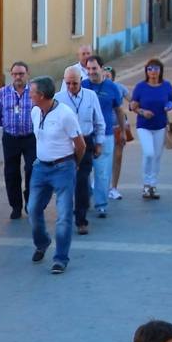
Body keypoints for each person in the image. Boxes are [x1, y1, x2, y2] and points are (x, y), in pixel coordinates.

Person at [27, 76, 84, 274]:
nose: (29, 95)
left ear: (41, 95)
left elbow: (80, 145)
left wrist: (73, 164)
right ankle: (42, 242)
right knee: (33, 209)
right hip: (40, 168)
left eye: (31, 92)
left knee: (64, 215)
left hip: (63, 168)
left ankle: (60, 258)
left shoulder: (65, 115)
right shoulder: (35, 112)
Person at [60, 66, 106, 235]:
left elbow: (99, 121)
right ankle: (64, 216)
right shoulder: (59, 98)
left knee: (81, 180)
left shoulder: (90, 96)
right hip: (64, 144)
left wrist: (99, 143)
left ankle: (81, 219)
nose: (71, 87)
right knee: (65, 182)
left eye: (75, 83)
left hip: (85, 142)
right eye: (68, 83)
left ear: (81, 81)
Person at [0, 61, 35, 219]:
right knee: (11, 172)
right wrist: (7, 125)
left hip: (31, 137)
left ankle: (30, 202)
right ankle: (15, 206)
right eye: (15, 74)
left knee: (32, 169)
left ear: (27, 74)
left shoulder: (34, 91)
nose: (18, 77)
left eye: (21, 74)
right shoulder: (4, 92)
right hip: (10, 138)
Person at [83, 56, 128, 220]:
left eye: (94, 69)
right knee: (84, 172)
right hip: (86, 136)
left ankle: (101, 204)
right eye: (88, 69)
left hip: (107, 135)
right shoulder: (83, 86)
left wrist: (122, 131)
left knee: (102, 172)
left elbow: (119, 110)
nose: (91, 72)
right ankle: (85, 199)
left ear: (101, 68)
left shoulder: (112, 87)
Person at [128, 58, 172, 199]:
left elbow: (171, 101)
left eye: (156, 69)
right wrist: (143, 112)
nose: (153, 72)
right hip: (144, 125)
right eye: (150, 69)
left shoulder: (166, 86)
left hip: (160, 125)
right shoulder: (140, 87)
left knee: (156, 156)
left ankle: (153, 185)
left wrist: (169, 106)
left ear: (160, 71)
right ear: (146, 71)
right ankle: (146, 184)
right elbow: (133, 105)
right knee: (149, 153)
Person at [105, 65, 132, 200]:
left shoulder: (119, 88)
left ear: (113, 78)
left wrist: (138, 107)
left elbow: (132, 100)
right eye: (103, 75)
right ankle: (100, 183)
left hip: (118, 127)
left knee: (118, 157)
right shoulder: (96, 89)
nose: (105, 78)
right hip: (103, 129)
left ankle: (114, 187)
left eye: (108, 76)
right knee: (101, 158)